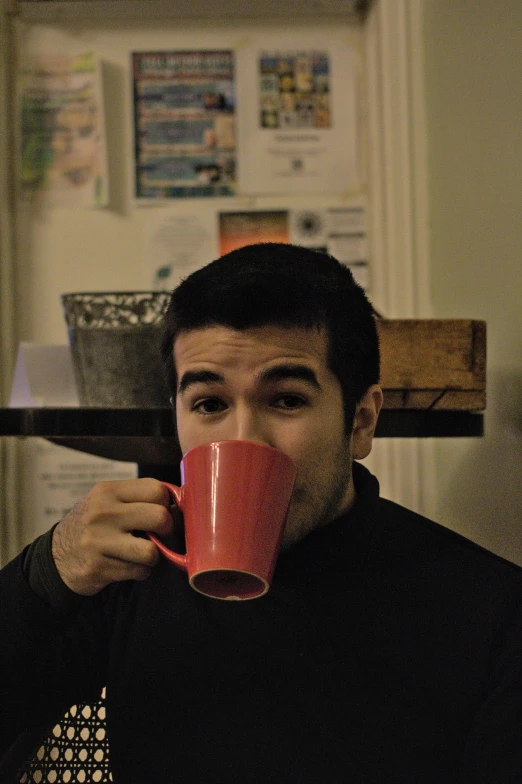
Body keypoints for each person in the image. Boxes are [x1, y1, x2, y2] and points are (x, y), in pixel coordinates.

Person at [1, 242, 522, 783]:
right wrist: (46, 572)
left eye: (287, 400)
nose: (243, 439)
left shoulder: (489, 611)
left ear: (362, 421)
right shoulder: (133, 574)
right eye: (209, 404)